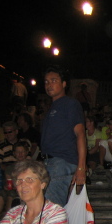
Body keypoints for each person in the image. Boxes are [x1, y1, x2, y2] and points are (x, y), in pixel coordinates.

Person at [41, 65, 86, 207]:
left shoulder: (70, 104)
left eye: (53, 80)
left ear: (64, 84)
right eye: (46, 82)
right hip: (49, 163)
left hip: (62, 162)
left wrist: (81, 168)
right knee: (46, 209)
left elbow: (80, 134)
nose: (49, 85)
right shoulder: (52, 108)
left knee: (50, 209)